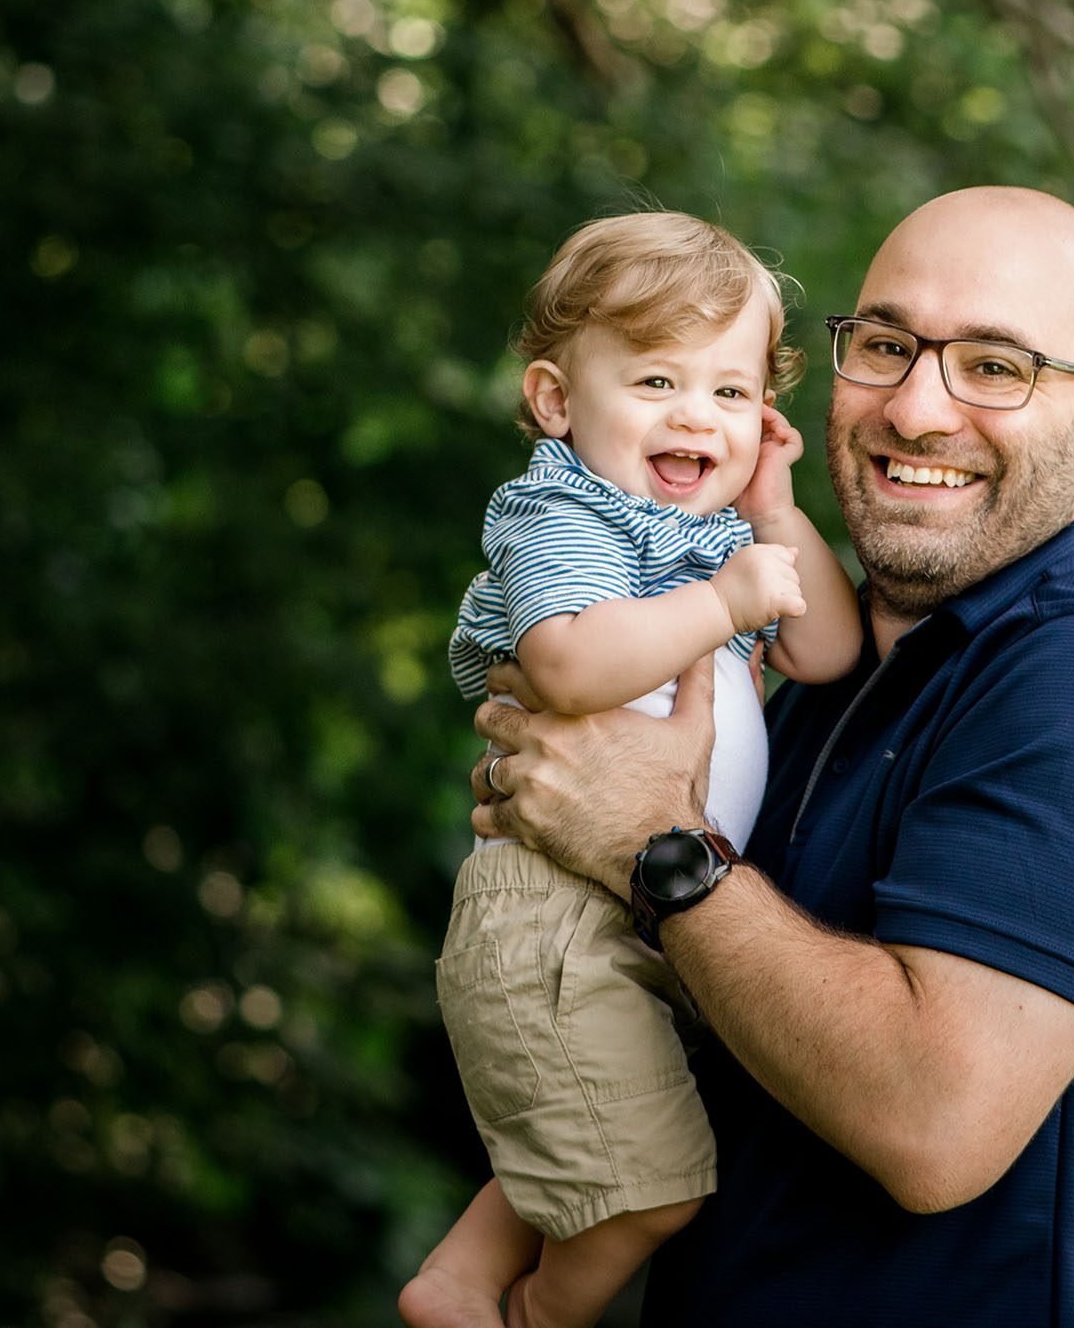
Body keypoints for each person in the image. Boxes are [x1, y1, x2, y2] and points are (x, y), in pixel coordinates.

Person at [468, 187, 1074, 1327]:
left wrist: (655, 843)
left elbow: (935, 1123)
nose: (918, 408)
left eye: (995, 365)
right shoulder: (820, 676)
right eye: (886, 346)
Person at [400, 212, 862, 1328]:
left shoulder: (718, 535)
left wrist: (769, 512)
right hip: (556, 910)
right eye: (655, 378)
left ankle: (457, 1281)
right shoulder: (567, 510)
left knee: (598, 1130)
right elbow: (563, 660)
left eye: (730, 392)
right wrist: (720, 604)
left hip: (645, 910)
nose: (694, 415)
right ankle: (529, 1317)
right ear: (559, 402)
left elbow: (826, 649)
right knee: (649, 1190)